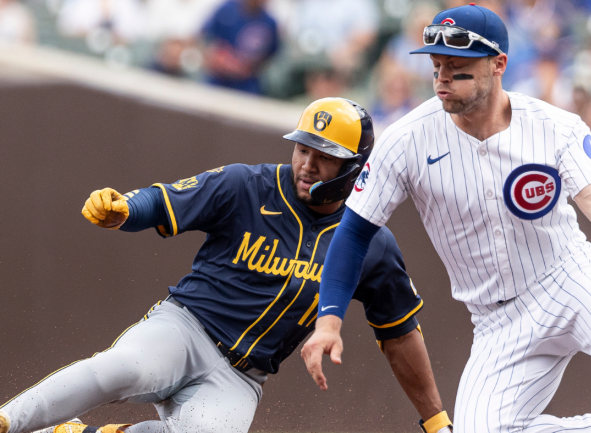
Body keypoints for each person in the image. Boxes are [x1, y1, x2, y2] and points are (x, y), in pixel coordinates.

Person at [301, 5, 591, 433]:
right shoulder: (406, 140)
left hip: (569, 280)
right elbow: (355, 231)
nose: (442, 79)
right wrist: (329, 319)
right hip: (496, 320)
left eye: (458, 70)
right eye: (436, 66)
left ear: (498, 65)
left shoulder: (554, 126)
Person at [0, 98, 453, 433]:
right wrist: (126, 210)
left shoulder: (370, 241)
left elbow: (400, 334)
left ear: (355, 168)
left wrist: (434, 419)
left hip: (242, 374)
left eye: (324, 157)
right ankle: (9, 420)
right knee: (122, 368)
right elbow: (164, 201)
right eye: (302, 150)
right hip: (184, 329)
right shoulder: (248, 184)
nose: (307, 165)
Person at [201, 0, 278, 94]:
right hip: (216, 81)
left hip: (247, 86)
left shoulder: (269, 23)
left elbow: (270, 57)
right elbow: (206, 39)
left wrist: (248, 66)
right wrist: (218, 58)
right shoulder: (226, 9)